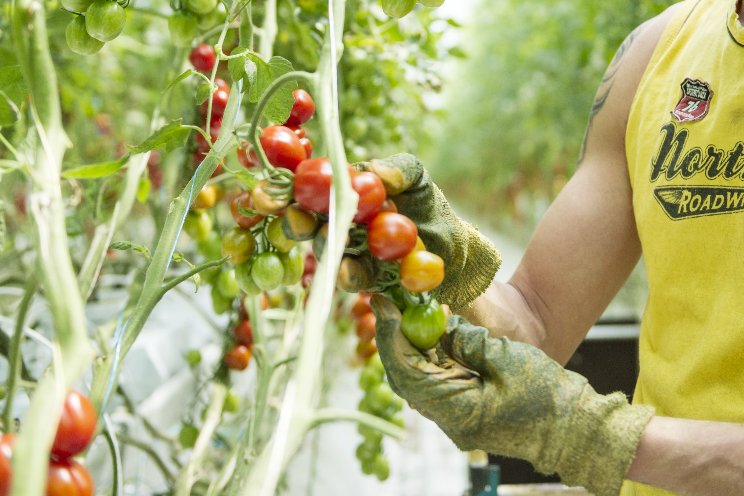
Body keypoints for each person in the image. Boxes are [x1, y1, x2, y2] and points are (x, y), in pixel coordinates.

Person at [360, 0, 744, 494]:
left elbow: (587, 430)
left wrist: (593, 435)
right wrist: (444, 259)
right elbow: (538, 322)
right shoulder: (658, 53)